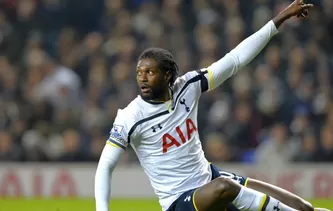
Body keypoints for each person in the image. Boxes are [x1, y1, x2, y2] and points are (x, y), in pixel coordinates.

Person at [95, 1, 320, 211]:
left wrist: (280, 18)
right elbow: (105, 166)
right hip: (179, 201)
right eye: (139, 73)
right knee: (226, 187)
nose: (142, 78)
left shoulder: (189, 87)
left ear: (168, 75)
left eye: (150, 72)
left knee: (303, 207)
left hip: (209, 178)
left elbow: (235, 60)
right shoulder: (130, 117)